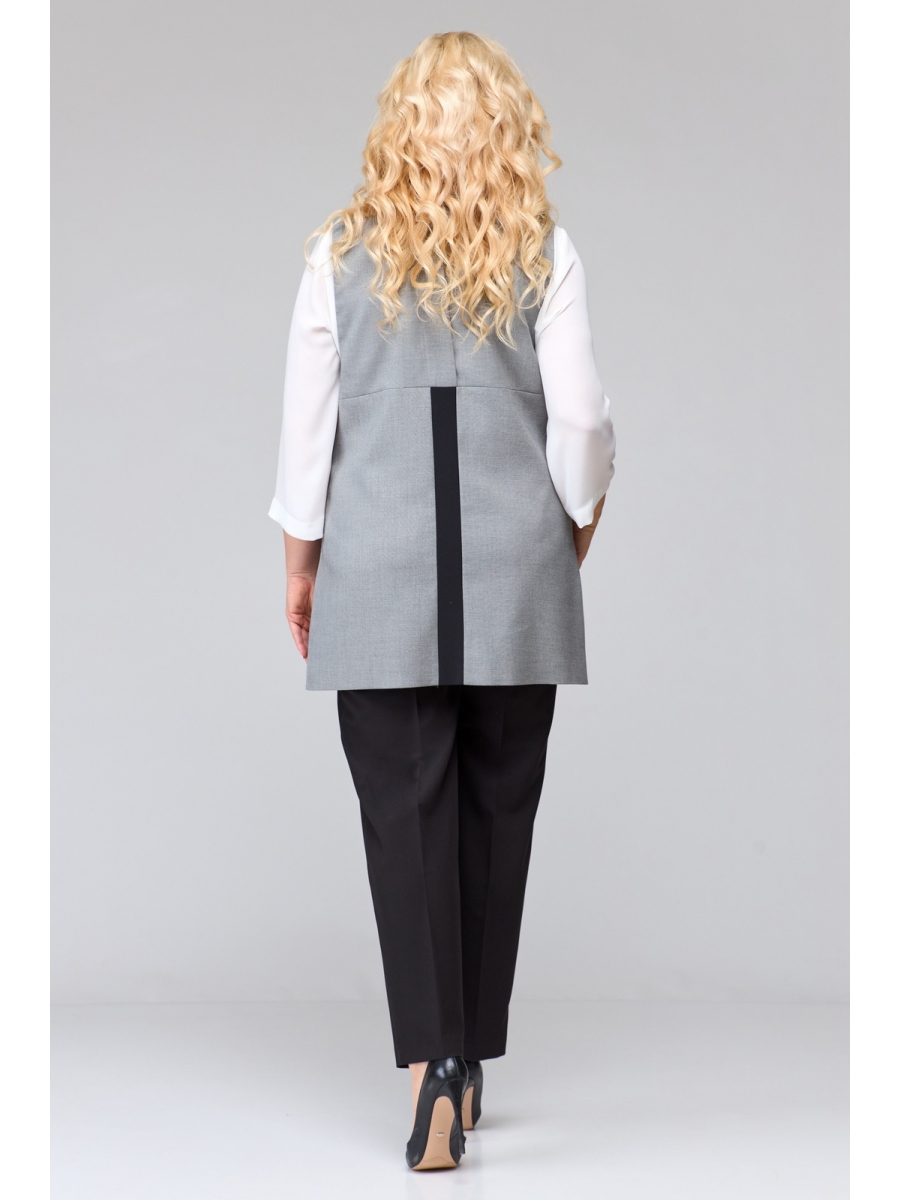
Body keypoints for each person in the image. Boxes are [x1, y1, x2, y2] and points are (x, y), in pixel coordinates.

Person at [268, 31, 616, 1170]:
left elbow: (306, 436)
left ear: (398, 132)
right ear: (509, 131)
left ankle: (431, 1069)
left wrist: (302, 564)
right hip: (518, 581)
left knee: (404, 822)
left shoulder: (335, 257)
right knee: (496, 819)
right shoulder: (545, 252)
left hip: (377, 579)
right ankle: (468, 1061)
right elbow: (581, 420)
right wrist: (576, 520)